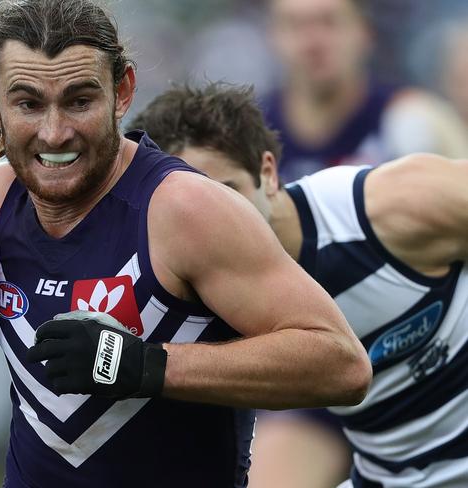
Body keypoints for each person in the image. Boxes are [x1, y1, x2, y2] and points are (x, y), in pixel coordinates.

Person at [0, 1, 372, 487]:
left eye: (79, 100)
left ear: (123, 91)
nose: (55, 133)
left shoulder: (183, 211)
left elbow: (341, 364)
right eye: (29, 103)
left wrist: (144, 365)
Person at [128, 81, 468, 487]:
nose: (213, 223)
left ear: (268, 174)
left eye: (227, 194)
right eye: (188, 212)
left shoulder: (384, 209)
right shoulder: (178, 279)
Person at [264, 0, 468, 182]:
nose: (313, 42)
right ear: (272, 37)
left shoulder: (419, 120)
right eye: (295, 25)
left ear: (365, 32)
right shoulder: (251, 132)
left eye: (329, 22)